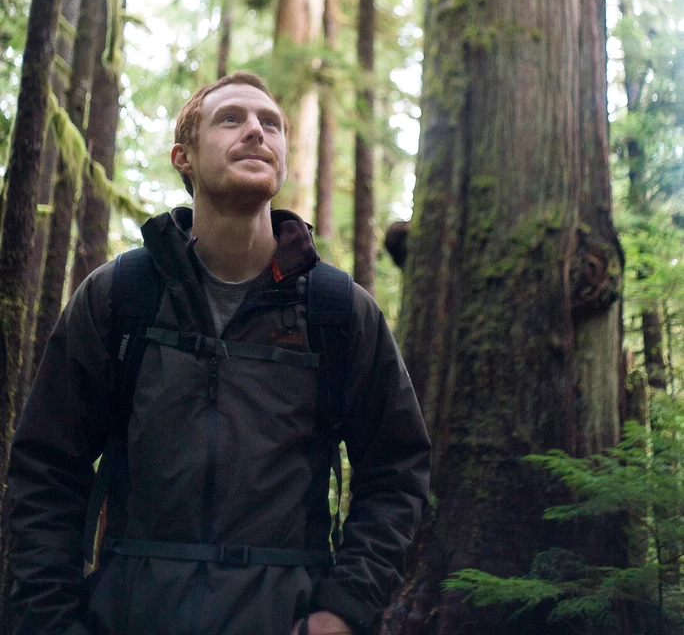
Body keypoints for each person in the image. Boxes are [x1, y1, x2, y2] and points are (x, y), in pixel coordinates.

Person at [8, 71, 430, 635]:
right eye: (231, 118)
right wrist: (49, 620)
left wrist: (342, 609)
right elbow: (47, 470)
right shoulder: (122, 297)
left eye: (271, 124)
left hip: (287, 617)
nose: (257, 130)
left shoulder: (336, 310)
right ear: (183, 156)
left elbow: (396, 472)